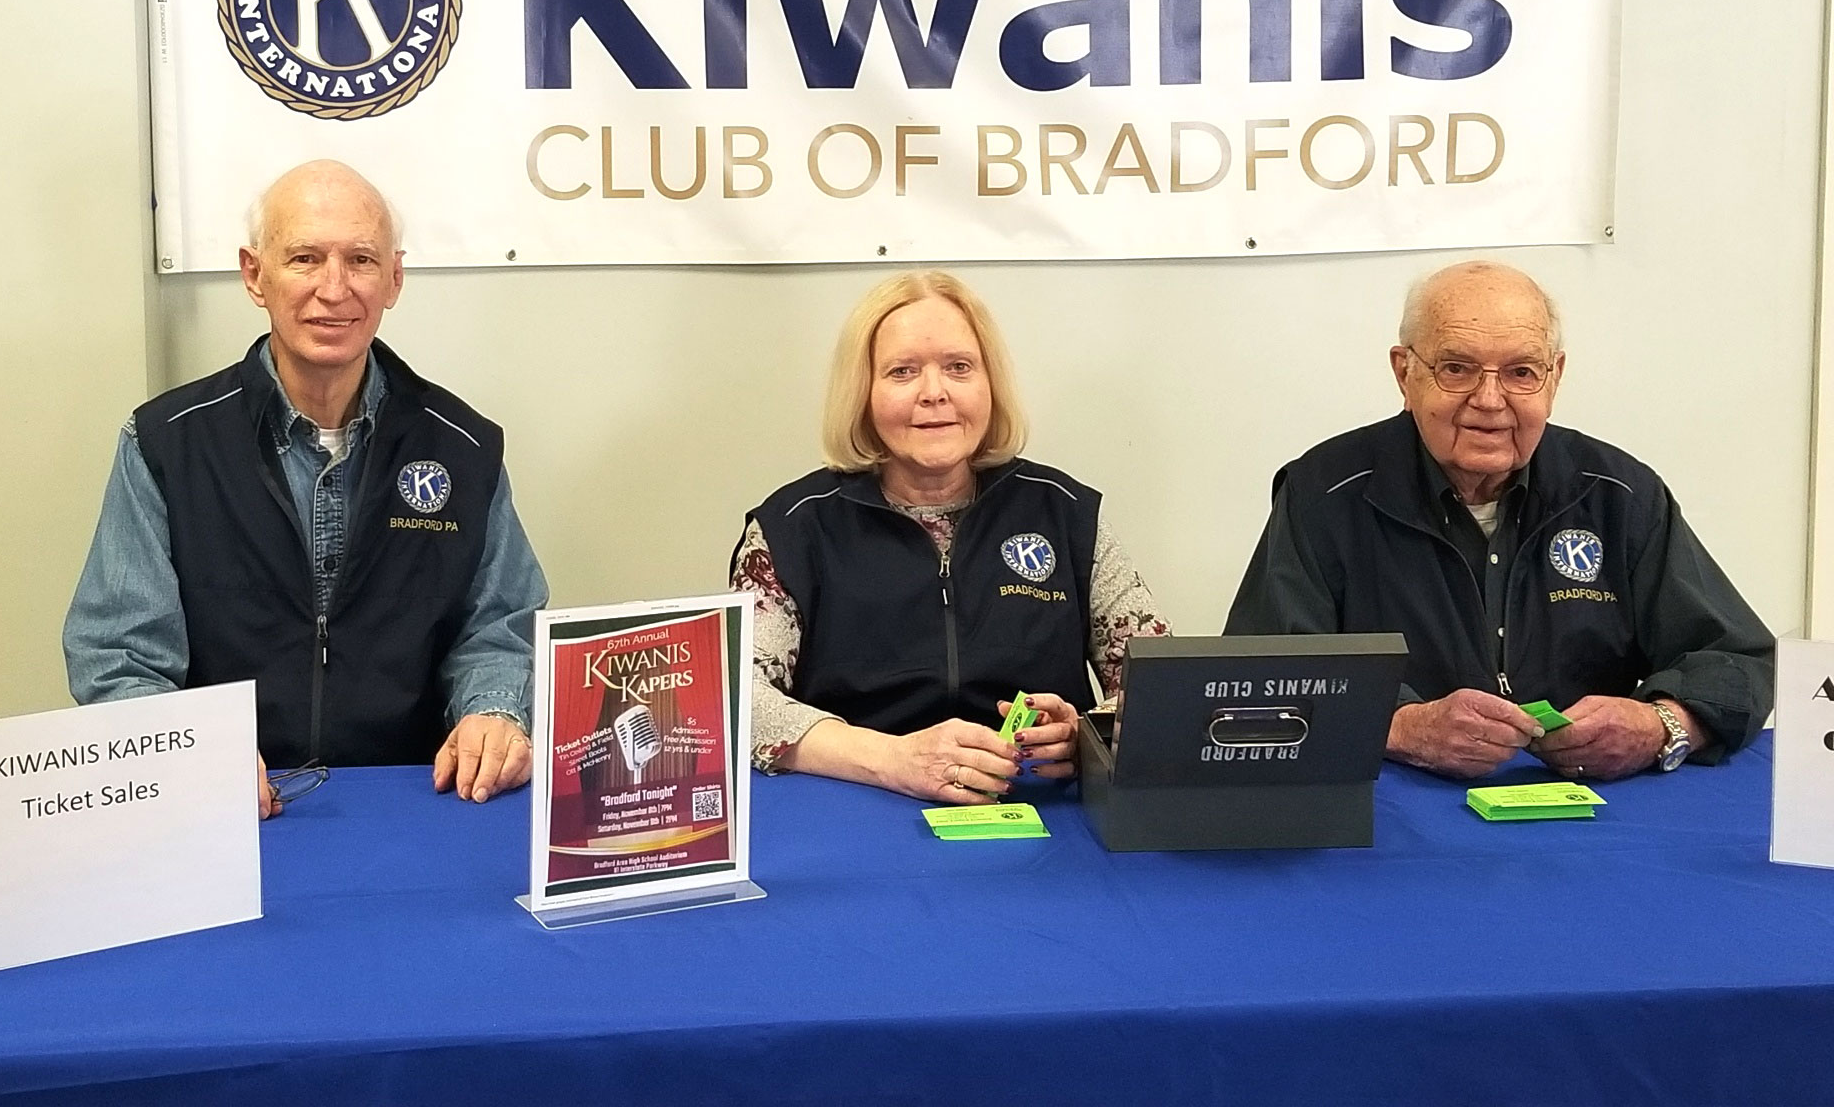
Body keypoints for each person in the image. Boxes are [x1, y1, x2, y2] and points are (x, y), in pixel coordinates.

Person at [64, 160, 546, 817]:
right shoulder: (165, 446)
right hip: (226, 812)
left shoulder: (461, 448)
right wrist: (185, 755)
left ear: (394, 279)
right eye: (304, 258)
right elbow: (121, 653)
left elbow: (497, 625)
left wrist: (493, 711)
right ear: (254, 274)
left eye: (361, 260)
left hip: (418, 805)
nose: (334, 287)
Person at [1226, 259, 1774, 782]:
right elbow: (1259, 682)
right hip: (1392, 808)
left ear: (1554, 377)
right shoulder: (1324, 492)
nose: (1490, 400)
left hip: (1589, 809)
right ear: (1404, 372)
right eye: (1457, 368)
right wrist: (1396, 727)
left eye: (1521, 372)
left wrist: (1661, 726)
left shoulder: (1620, 495)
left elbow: (1740, 662)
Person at [732, 271, 1168, 804]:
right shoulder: (793, 529)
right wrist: (893, 760)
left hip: (1045, 819)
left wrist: (1087, 733)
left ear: (990, 384)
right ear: (862, 391)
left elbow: (1164, 688)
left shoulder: (1068, 515)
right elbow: (736, 697)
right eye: (902, 371)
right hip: (856, 807)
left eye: (959, 368)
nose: (934, 393)